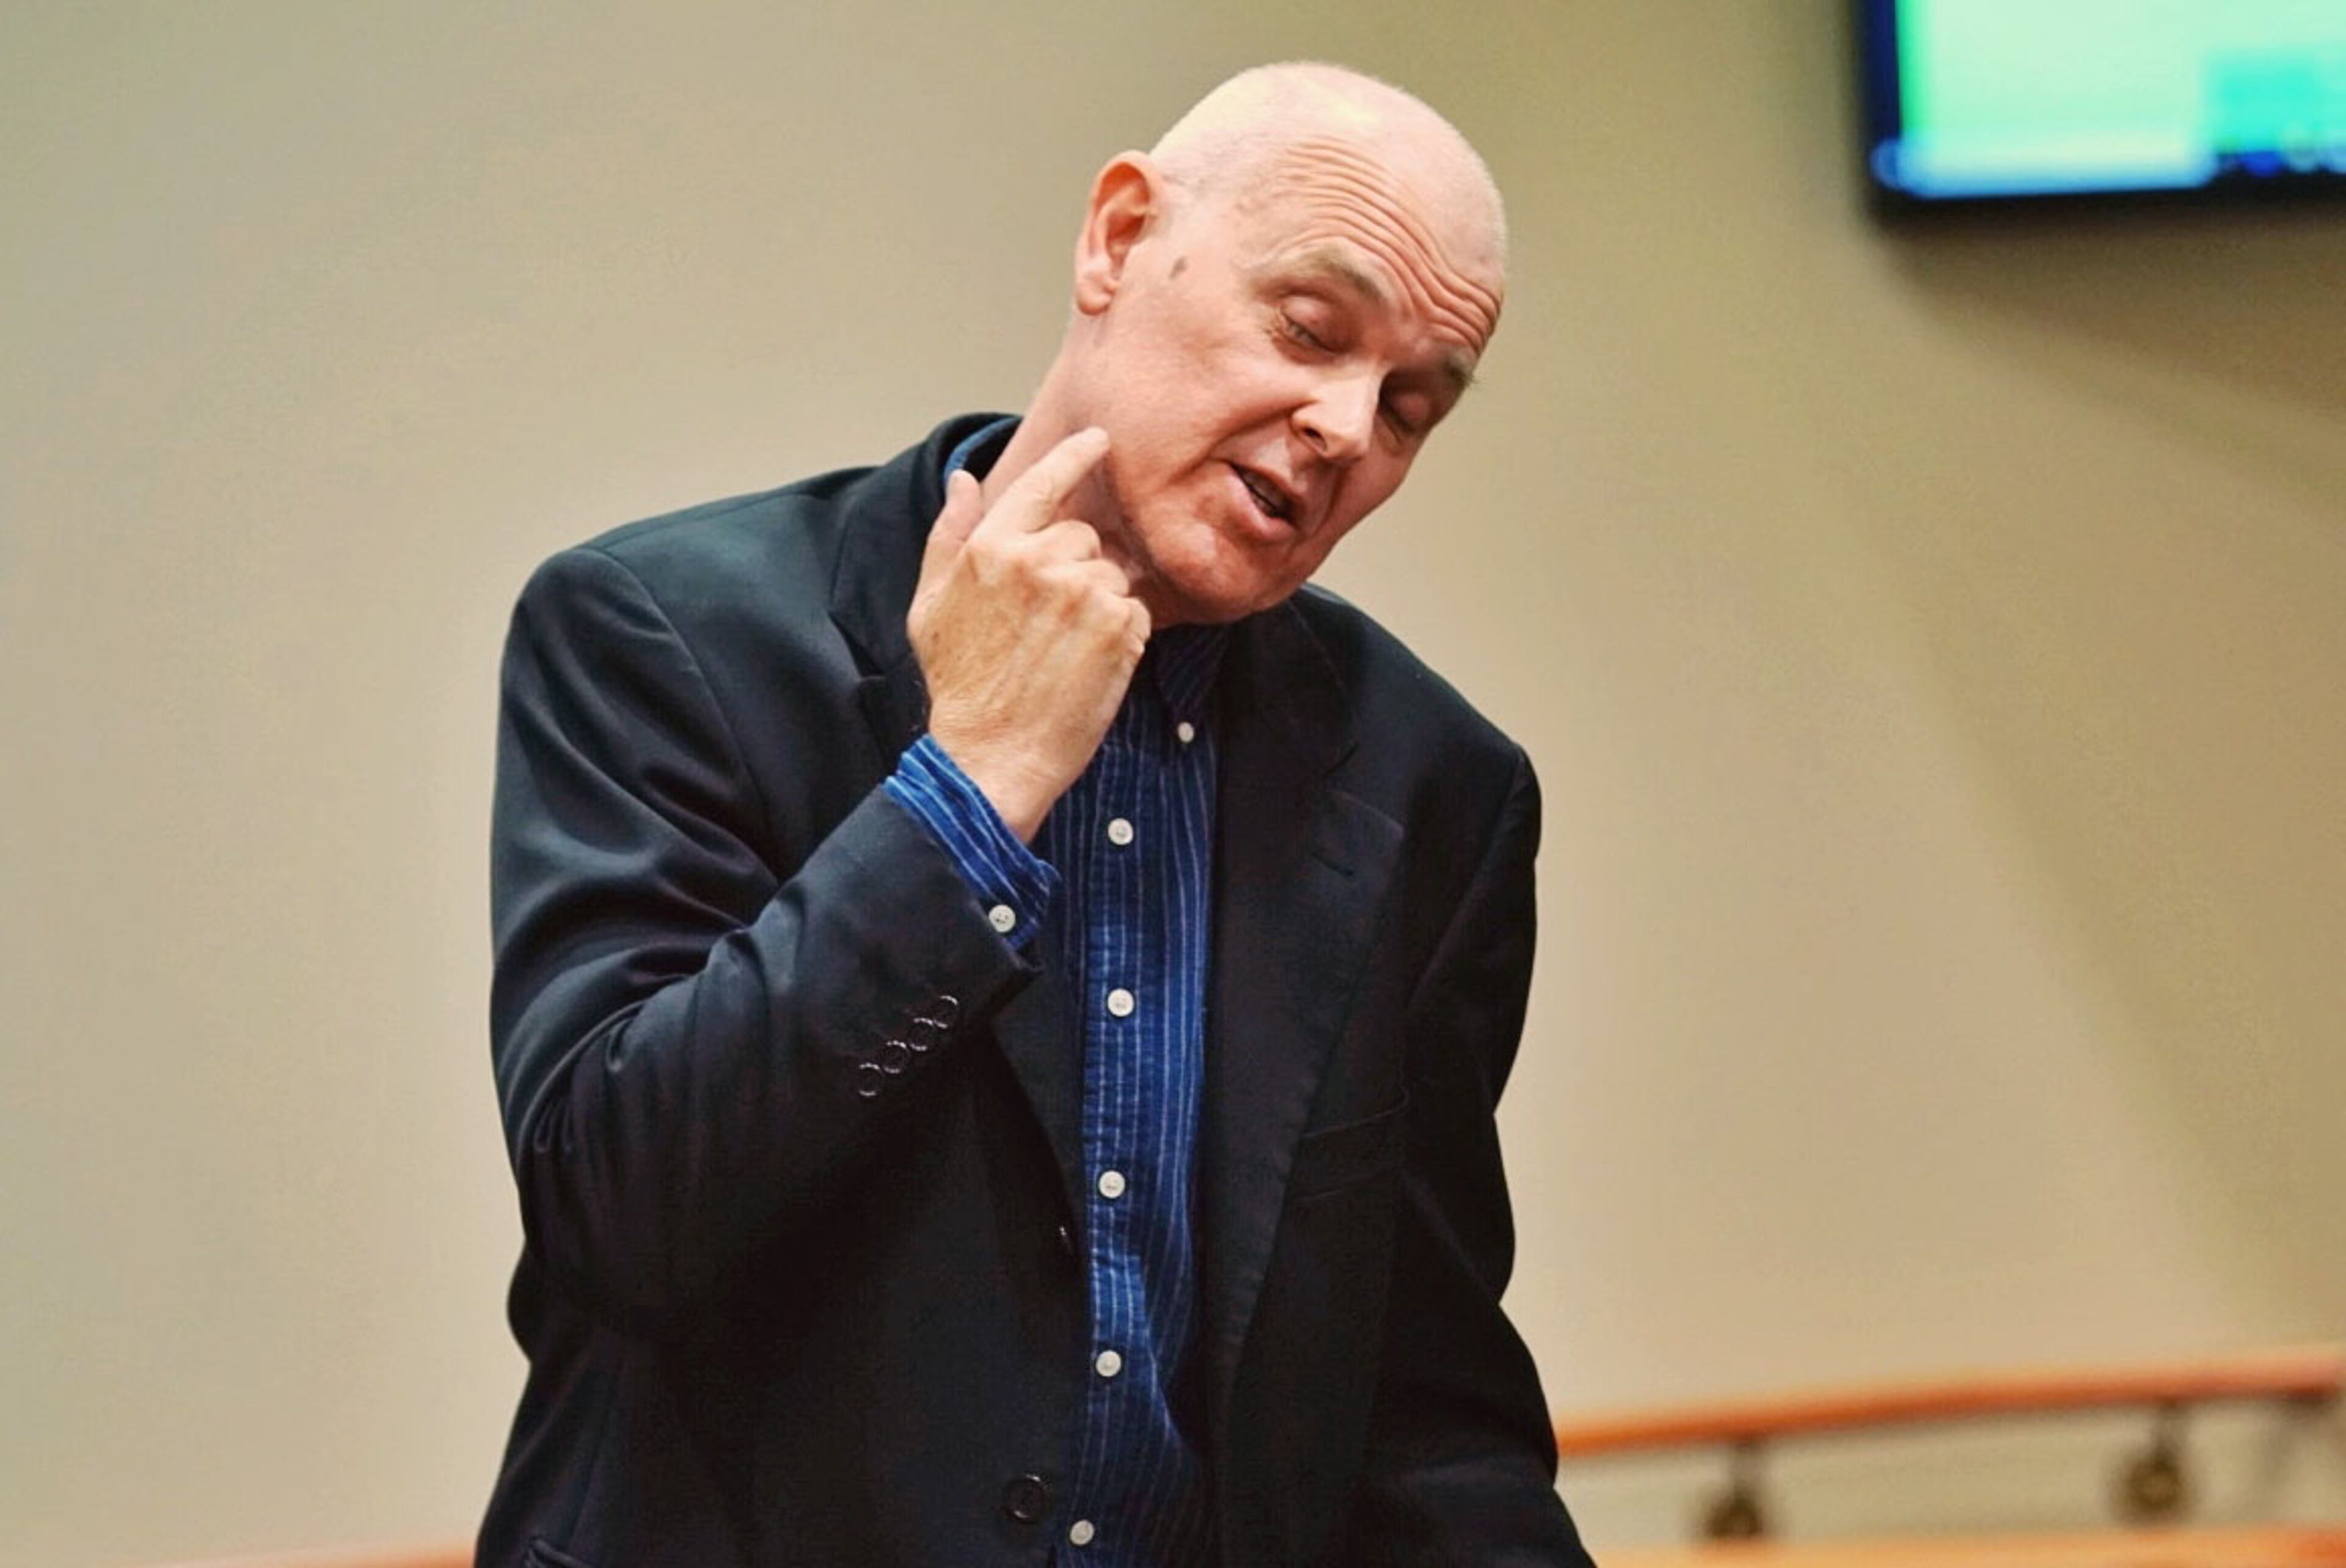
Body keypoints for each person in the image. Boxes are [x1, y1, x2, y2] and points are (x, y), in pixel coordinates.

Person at [479, 61, 1593, 1568]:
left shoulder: (1433, 787)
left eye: (1409, 407)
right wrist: (975, 784)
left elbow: (1428, 1405)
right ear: (1119, 239)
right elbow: (622, 1212)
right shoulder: (666, 638)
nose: (1344, 427)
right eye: (1310, 330)